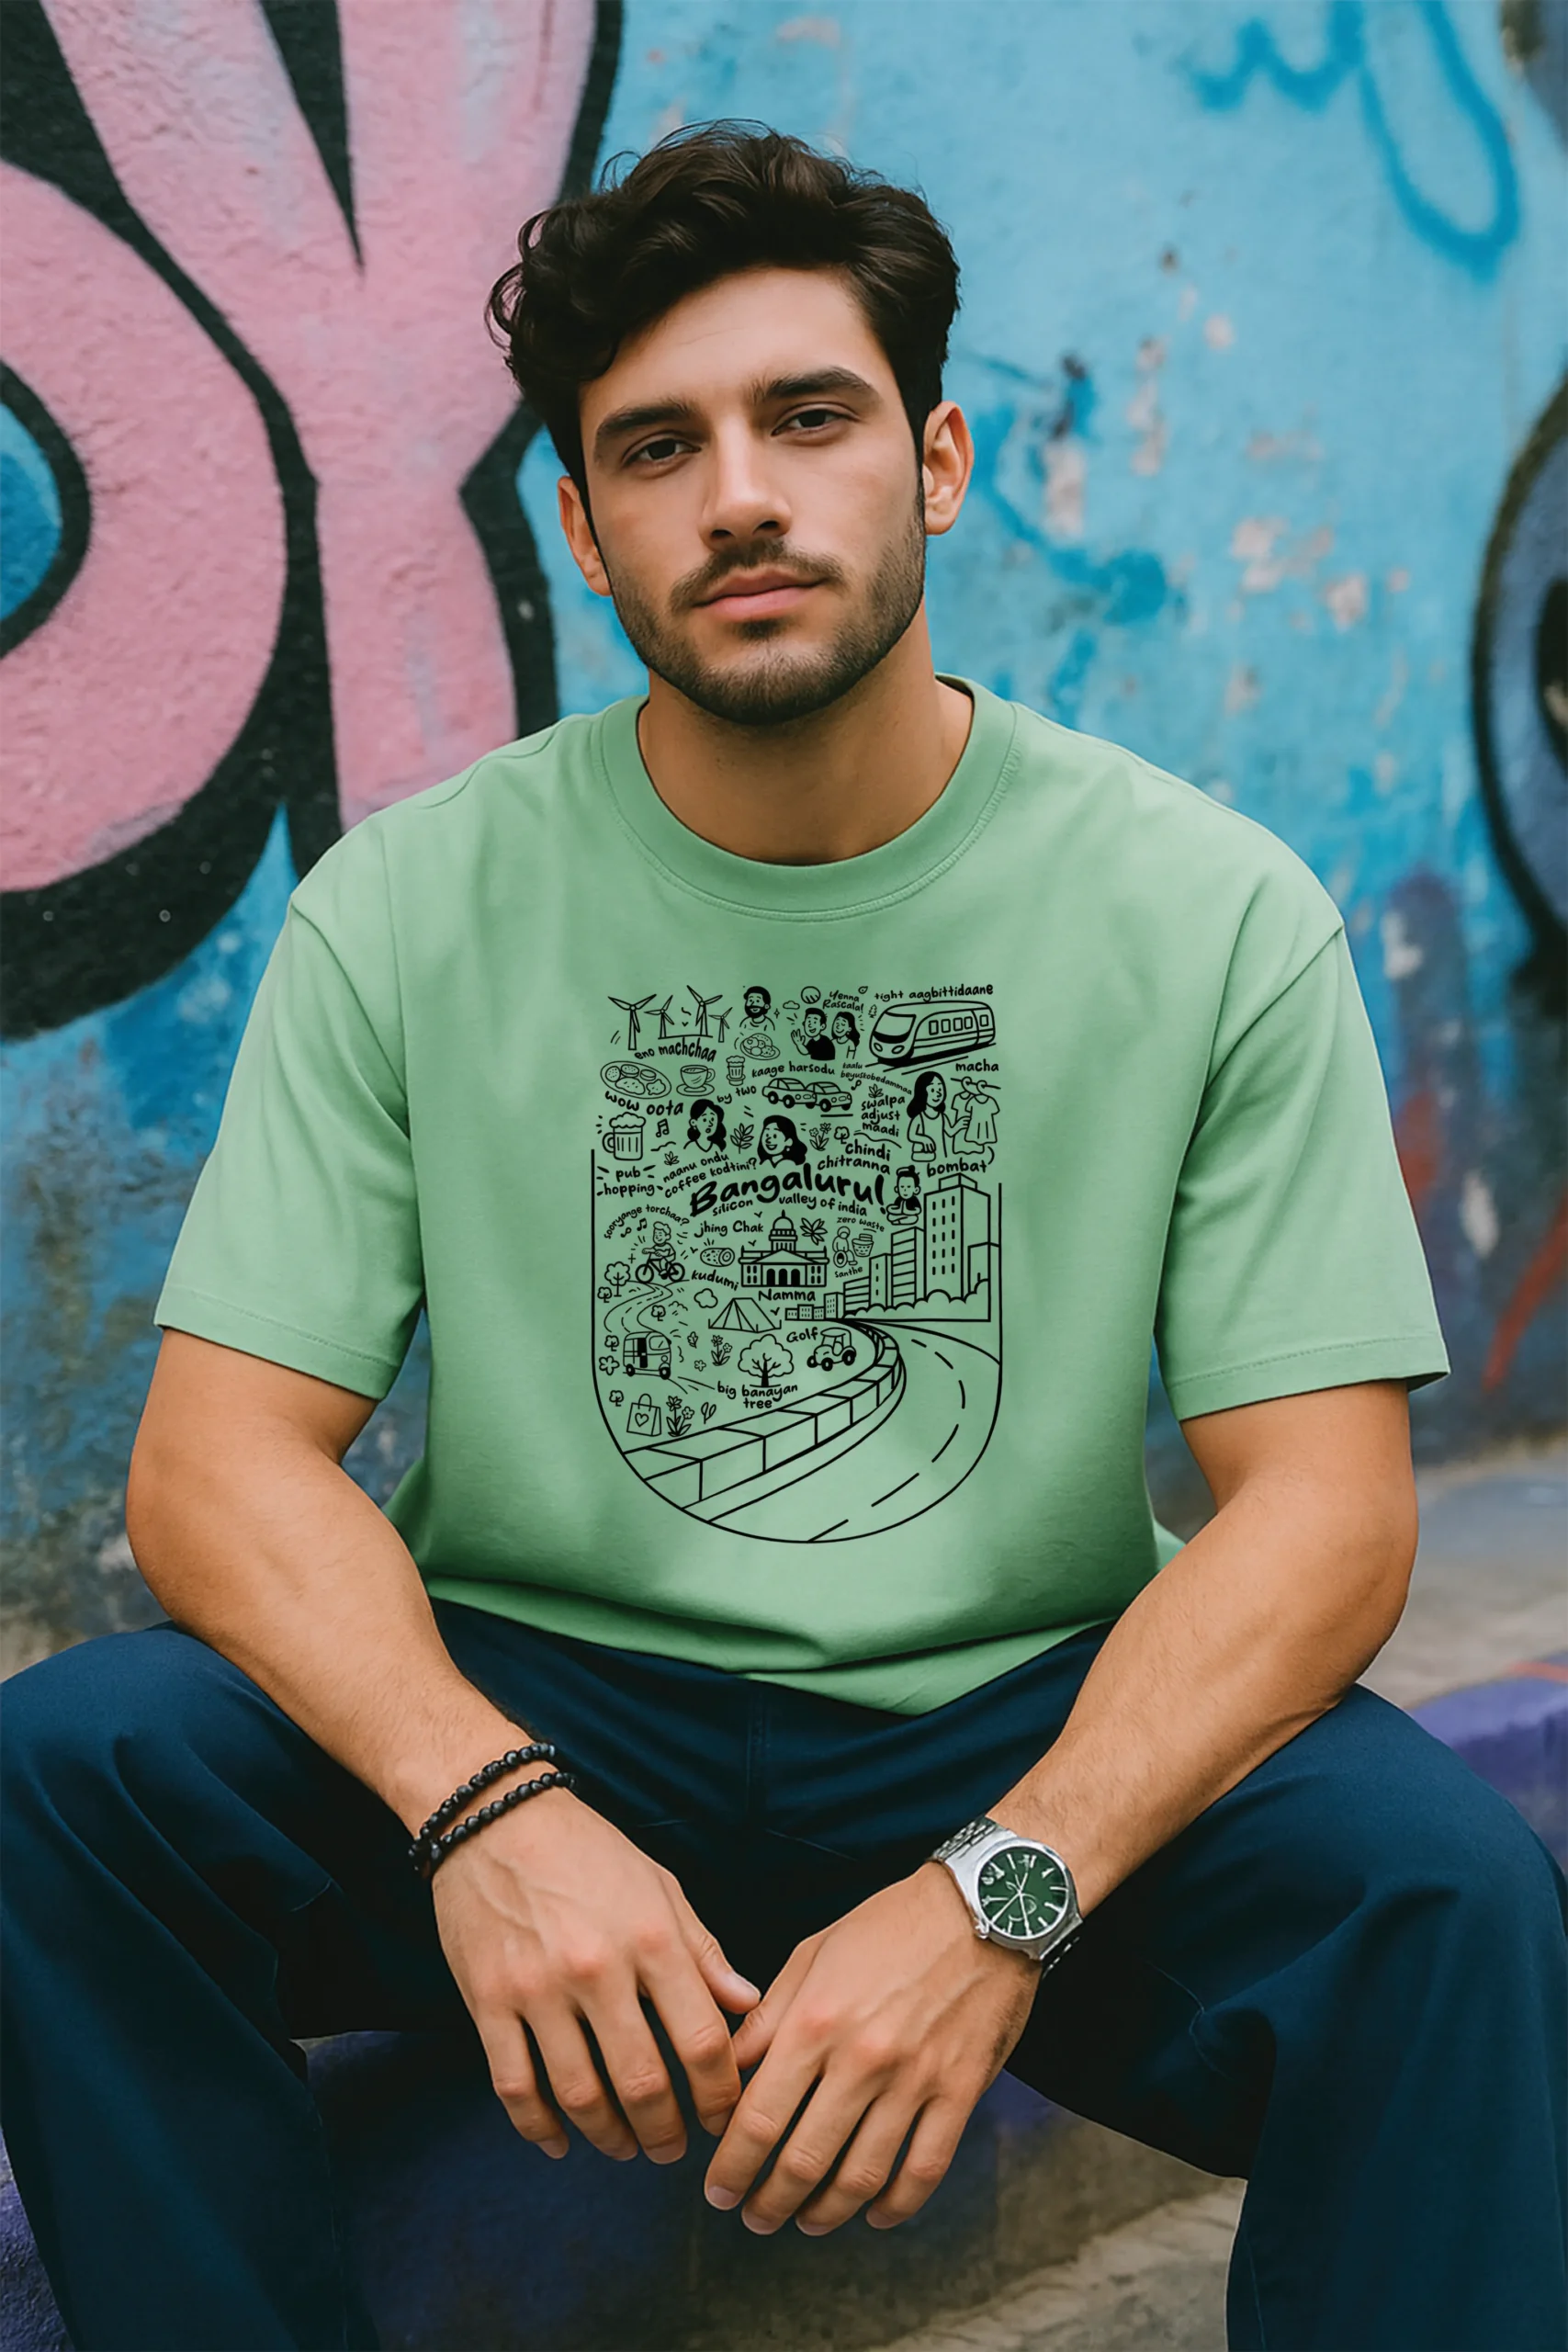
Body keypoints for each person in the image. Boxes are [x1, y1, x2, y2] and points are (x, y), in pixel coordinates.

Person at [3, 122, 1562, 2352]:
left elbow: (1318, 1517)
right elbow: (217, 1462)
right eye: (656, 446)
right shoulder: (412, 907)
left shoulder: (1200, 907)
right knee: (74, 1776)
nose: (736, 492)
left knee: (1452, 1907)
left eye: (805, 416)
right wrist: (487, 1807)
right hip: (551, 1694)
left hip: (1003, 1702)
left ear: (932, 462)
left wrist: (1001, 1890)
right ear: (583, 523)